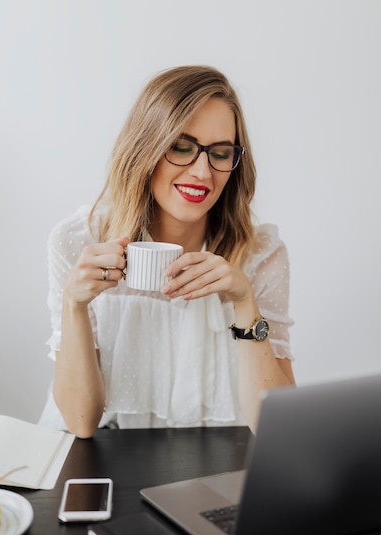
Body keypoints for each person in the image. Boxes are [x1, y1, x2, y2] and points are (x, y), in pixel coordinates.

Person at [39, 65, 295, 438]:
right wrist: (74, 306)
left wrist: (244, 302)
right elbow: (80, 422)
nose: (203, 173)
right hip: (103, 464)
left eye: (220, 153)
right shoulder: (78, 242)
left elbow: (280, 431)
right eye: (181, 147)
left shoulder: (261, 255)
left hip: (216, 471)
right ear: (146, 148)